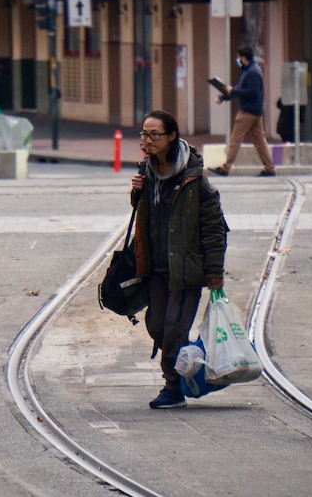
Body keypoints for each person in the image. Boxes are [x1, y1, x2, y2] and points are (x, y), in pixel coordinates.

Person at [130, 110, 228, 409]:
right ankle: (192, 368)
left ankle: (173, 387)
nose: (147, 141)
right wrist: (137, 195)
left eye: (154, 135)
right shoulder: (146, 171)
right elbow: (147, 216)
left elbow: (214, 227)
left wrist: (214, 271)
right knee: (158, 325)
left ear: (172, 136)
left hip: (186, 268)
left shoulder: (194, 177)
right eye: (144, 135)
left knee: (174, 329)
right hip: (157, 267)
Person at [210, 46, 276, 177]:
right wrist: (224, 97)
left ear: (244, 58)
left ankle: (225, 168)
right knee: (260, 142)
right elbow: (239, 90)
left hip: (248, 112)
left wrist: (233, 91)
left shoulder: (252, 72)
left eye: (239, 58)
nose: (238, 60)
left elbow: (251, 92)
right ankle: (270, 168)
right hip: (255, 111)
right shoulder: (249, 70)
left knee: (235, 140)